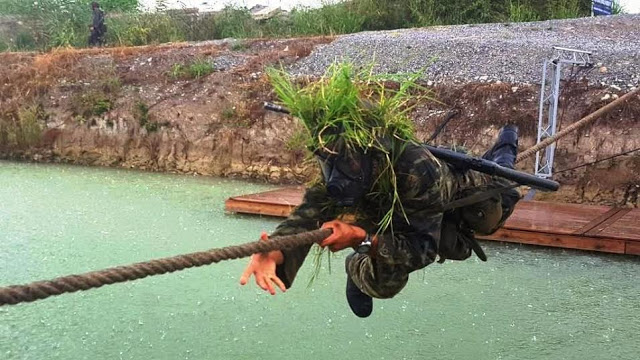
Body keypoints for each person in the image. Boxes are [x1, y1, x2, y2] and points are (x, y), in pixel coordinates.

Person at [239, 69, 521, 318]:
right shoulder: (339, 161)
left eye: (346, 164)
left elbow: (423, 250)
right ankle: (357, 269)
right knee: (383, 285)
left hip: (449, 190)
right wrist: (275, 249)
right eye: (328, 162)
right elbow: (308, 214)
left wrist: (363, 238)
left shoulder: (418, 169)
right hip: (387, 202)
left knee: (498, 203)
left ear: (374, 155)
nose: (336, 175)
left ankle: (507, 140)